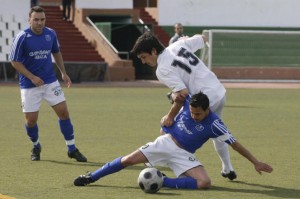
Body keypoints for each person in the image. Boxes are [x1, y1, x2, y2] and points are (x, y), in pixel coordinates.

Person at [73, 92, 273, 189]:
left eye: (199, 114)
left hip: (184, 155)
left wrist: (256, 162)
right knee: (127, 161)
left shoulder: (215, 124)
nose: (194, 116)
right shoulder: (187, 100)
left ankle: (162, 181)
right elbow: (174, 96)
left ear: (208, 110)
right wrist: (167, 117)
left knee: (204, 182)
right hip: (166, 142)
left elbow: (235, 144)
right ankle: (92, 177)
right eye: (192, 113)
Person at [131, 31, 237, 180]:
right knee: (217, 132)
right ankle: (227, 169)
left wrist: (170, 115)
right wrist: (190, 38)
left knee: (168, 128)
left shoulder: (161, 69)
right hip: (219, 92)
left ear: (154, 51)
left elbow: (182, 95)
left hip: (203, 99)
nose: (143, 61)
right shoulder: (179, 44)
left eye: (144, 57)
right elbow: (203, 38)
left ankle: (159, 159)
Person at [9, 6, 87, 162]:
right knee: (31, 121)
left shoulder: (50, 34)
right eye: (36, 19)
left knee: (64, 112)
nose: (39, 23)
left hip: (50, 82)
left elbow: (56, 52)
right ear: (29, 20)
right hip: (30, 85)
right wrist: (32, 77)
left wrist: (63, 73)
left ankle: (71, 148)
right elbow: (14, 62)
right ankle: (36, 146)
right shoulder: (22, 37)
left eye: (42, 19)